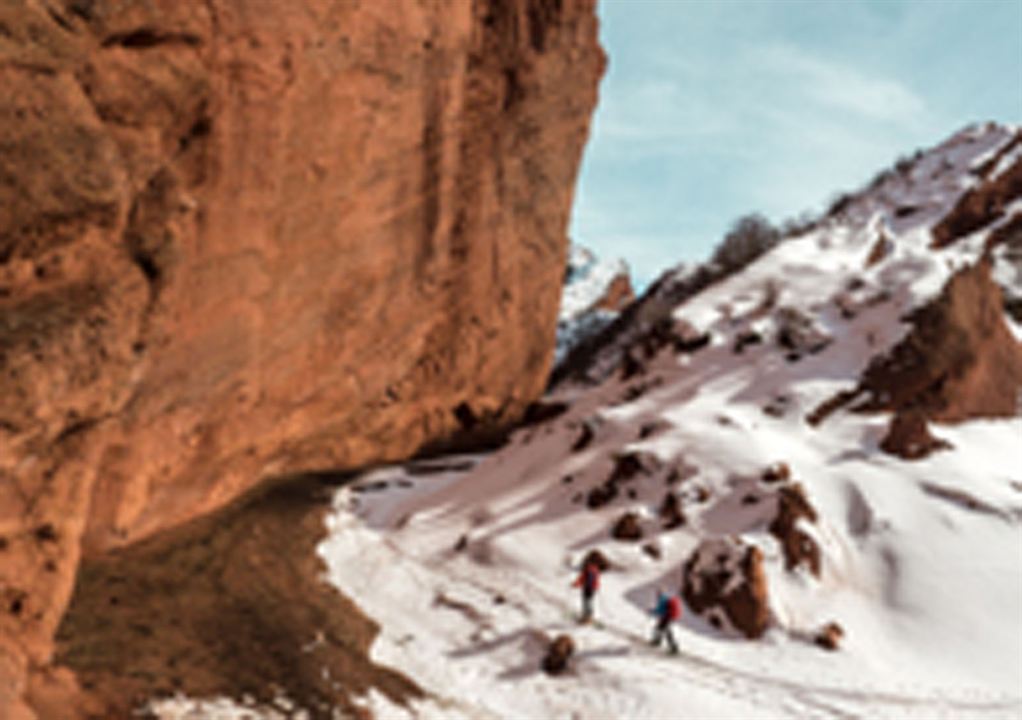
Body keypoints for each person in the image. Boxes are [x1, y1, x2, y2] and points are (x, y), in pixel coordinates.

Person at [650, 588, 682, 654]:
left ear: (659, 594)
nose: (656, 595)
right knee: (660, 628)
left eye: (657, 593)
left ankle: (673, 648)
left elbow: (660, 610)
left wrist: (652, 611)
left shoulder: (662, 599)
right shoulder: (666, 598)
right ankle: (658, 641)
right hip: (671, 616)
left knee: (666, 631)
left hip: (668, 617)